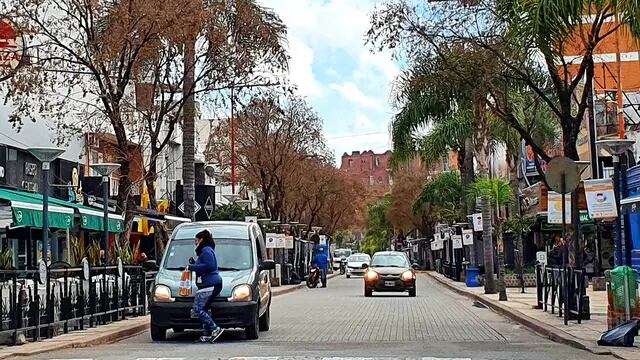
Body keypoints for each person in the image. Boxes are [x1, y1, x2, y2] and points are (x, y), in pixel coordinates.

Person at [187, 229, 224, 343]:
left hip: (210, 284)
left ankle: (215, 328)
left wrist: (191, 267)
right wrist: (194, 263)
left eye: (196, 240)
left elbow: (209, 266)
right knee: (204, 309)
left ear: (201, 240)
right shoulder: (207, 250)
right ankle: (207, 334)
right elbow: (204, 265)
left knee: (197, 309)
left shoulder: (206, 250)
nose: (195, 243)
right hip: (210, 283)